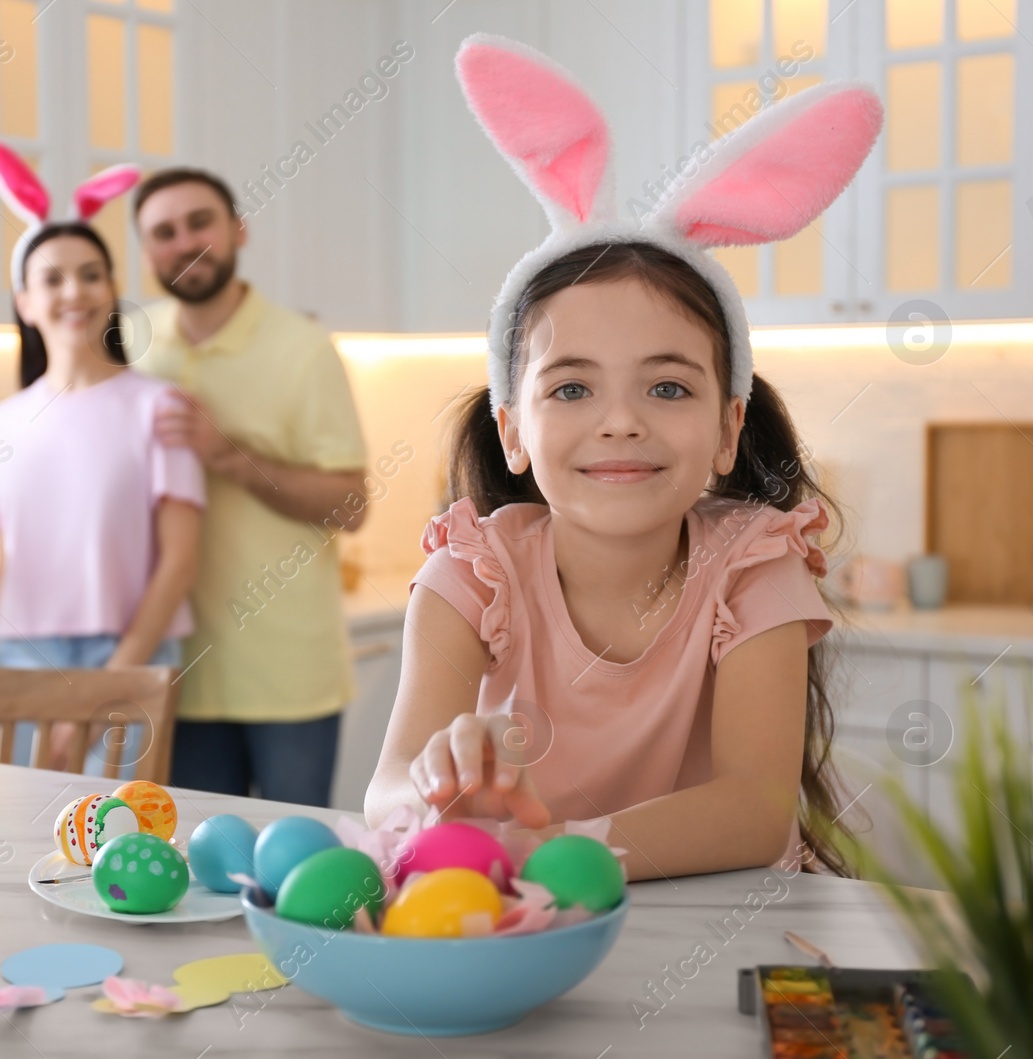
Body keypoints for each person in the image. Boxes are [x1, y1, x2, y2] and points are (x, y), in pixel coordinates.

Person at [366, 37, 885, 878]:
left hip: (716, 932)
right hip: (532, 934)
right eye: (571, 389)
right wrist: (435, 793)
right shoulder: (472, 573)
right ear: (512, 431)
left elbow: (754, 812)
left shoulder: (754, 568)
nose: (619, 423)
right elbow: (387, 788)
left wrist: (551, 852)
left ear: (727, 429)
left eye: (668, 389)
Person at [0, 140, 204, 778]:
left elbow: (179, 563)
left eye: (91, 273)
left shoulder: (159, 406)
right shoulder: (2, 423)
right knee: (26, 827)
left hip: (132, 650)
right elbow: (6, 563)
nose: (75, 290)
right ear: (24, 302)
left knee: (117, 838)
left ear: (111, 289)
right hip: (25, 655)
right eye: (53, 277)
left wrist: (109, 688)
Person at [128, 166, 369, 807]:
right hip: (178, 669)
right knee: (207, 874)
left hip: (290, 676)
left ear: (238, 229)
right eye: (164, 232)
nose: (185, 242)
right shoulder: (130, 345)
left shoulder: (305, 349)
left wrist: (228, 454)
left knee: (295, 881)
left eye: (200, 222)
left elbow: (352, 504)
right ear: (147, 251)